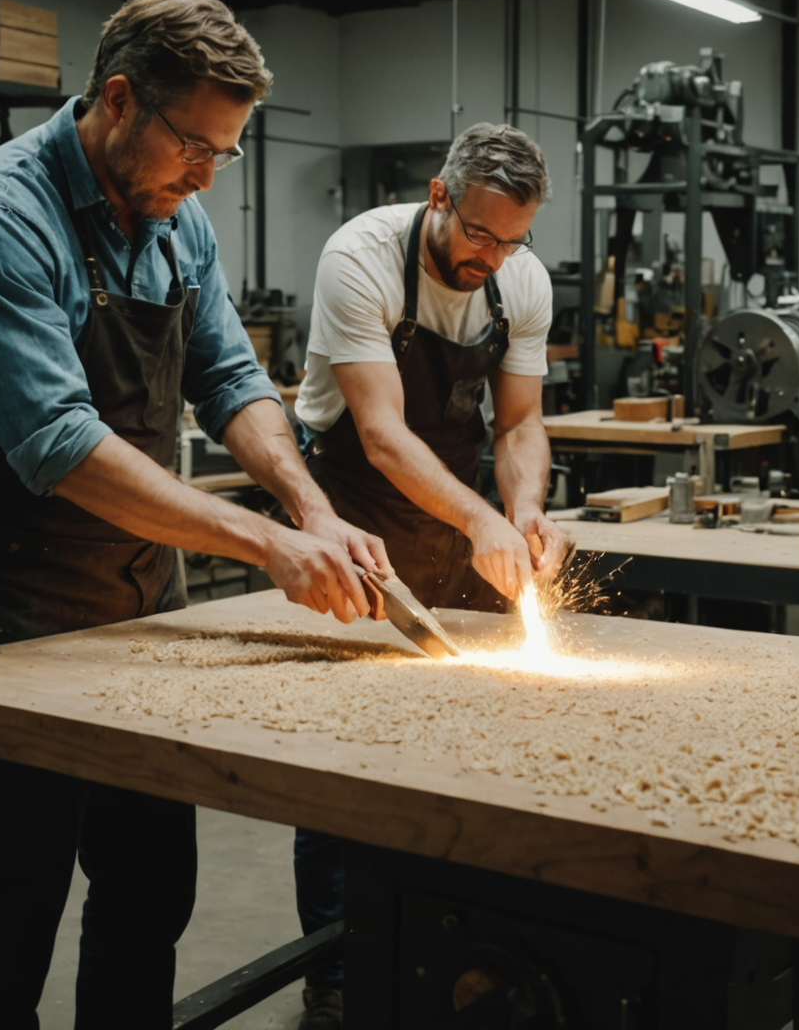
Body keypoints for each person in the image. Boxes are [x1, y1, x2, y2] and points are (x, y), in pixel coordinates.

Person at [0, 0, 387, 1029]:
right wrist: (264, 543)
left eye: (226, 152)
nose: (208, 174)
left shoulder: (179, 217)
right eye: (194, 146)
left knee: (148, 883)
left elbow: (229, 377)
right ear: (120, 99)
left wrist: (309, 508)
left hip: (141, 586)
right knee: (14, 896)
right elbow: (61, 445)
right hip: (21, 593)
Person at [283, 124, 570, 1027]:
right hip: (357, 506)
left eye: (513, 240)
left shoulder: (521, 281)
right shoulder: (361, 257)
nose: (494, 257)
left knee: (469, 727)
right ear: (439, 197)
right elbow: (380, 435)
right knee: (348, 747)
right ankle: (336, 969)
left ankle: (451, 951)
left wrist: (522, 509)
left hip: (457, 507)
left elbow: (517, 424)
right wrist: (480, 517)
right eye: (480, 234)